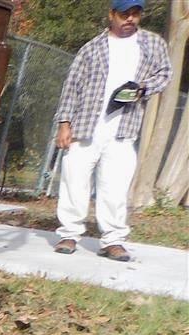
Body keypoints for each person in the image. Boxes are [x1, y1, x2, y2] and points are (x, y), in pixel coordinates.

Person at [51, 0, 171, 261]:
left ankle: (113, 241)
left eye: (135, 14)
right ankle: (69, 234)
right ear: (111, 15)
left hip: (124, 129)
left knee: (115, 188)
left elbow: (164, 74)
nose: (130, 19)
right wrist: (64, 123)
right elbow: (71, 87)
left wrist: (142, 89)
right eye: (124, 14)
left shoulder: (152, 44)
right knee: (74, 182)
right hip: (85, 126)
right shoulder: (91, 48)